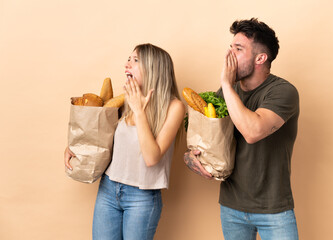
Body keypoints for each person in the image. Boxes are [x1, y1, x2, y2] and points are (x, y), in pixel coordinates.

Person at [184, 18, 300, 240]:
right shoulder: (225, 92)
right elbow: (212, 139)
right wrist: (192, 158)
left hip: (274, 210)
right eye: (230, 48)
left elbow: (253, 131)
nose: (229, 56)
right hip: (232, 208)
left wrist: (227, 85)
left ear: (260, 58)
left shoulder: (284, 92)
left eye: (238, 49)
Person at [64, 43, 185, 240]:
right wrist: (75, 147)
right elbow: (101, 139)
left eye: (135, 60)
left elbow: (151, 157)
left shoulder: (174, 107)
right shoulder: (124, 100)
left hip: (142, 197)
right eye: (128, 59)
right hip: (109, 190)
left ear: (154, 67)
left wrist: (139, 111)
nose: (127, 64)